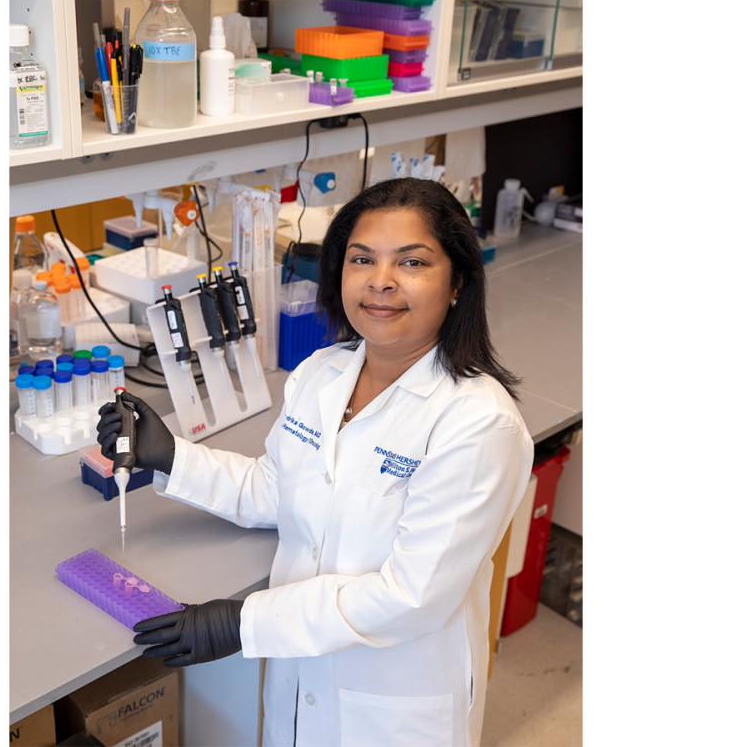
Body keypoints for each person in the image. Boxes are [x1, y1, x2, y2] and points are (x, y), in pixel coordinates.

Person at [97, 177, 533, 746]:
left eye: (413, 262)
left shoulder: (477, 425)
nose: (381, 281)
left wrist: (244, 621)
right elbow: (279, 489)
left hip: (393, 706)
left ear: (457, 284)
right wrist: (172, 457)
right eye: (361, 259)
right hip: (300, 683)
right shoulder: (323, 374)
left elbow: (411, 597)